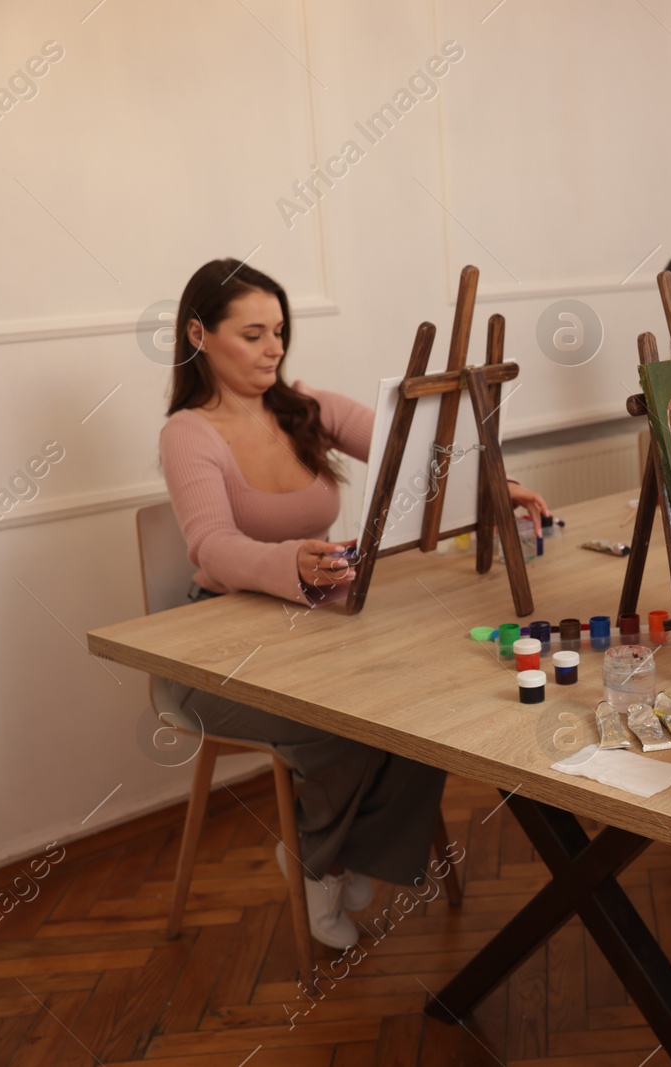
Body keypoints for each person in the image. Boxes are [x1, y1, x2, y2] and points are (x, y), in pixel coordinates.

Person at [159, 258, 548, 948]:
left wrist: (497, 485)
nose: (274, 348)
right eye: (253, 334)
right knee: (341, 721)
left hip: (310, 628)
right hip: (214, 649)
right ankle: (318, 861)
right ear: (199, 333)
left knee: (428, 700)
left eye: (279, 331)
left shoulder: (305, 406)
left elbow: (421, 454)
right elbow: (211, 548)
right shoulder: (188, 432)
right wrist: (290, 561)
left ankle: (346, 853)